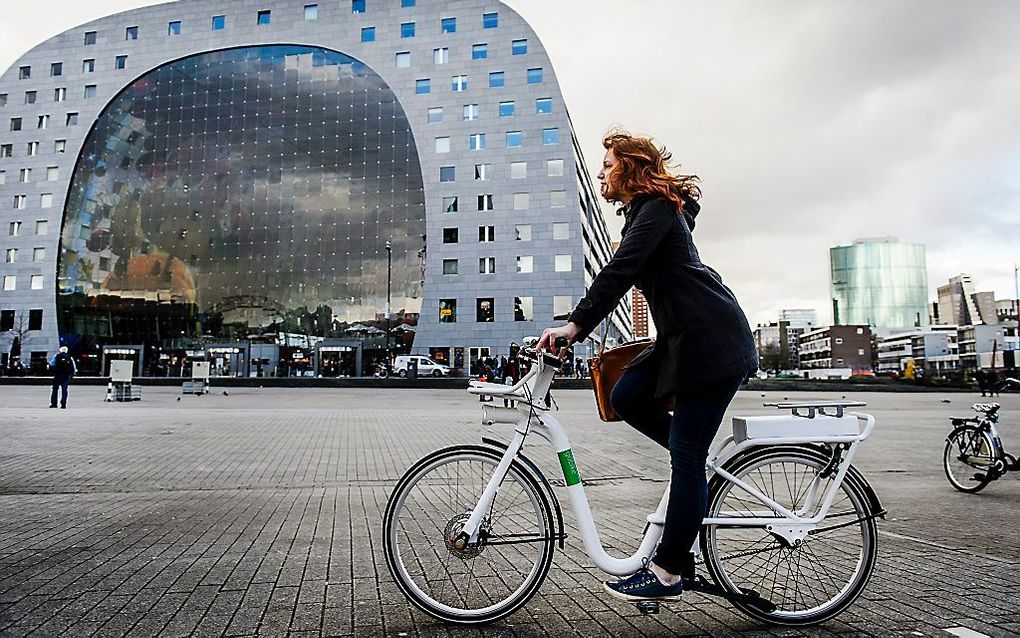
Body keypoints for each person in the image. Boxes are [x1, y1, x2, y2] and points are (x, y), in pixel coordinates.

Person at [538, 130, 758, 602]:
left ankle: (667, 572)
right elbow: (625, 270)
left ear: (631, 169)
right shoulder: (649, 213)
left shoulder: (656, 211)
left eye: (608, 164)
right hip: (684, 340)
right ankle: (694, 463)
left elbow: (618, 271)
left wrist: (574, 326)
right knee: (626, 396)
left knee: (685, 456)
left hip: (710, 344)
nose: (600, 172)